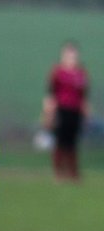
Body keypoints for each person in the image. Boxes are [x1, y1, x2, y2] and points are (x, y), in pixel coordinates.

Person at [42, 41, 90, 182]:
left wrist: (86, 112)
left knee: (72, 141)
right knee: (60, 141)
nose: (71, 57)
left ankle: (73, 172)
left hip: (75, 110)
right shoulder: (57, 72)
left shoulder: (81, 73)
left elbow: (84, 94)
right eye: (68, 54)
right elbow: (51, 92)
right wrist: (48, 112)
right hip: (61, 109)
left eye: (73, 54)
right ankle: (59, 172)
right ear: (63, 55)